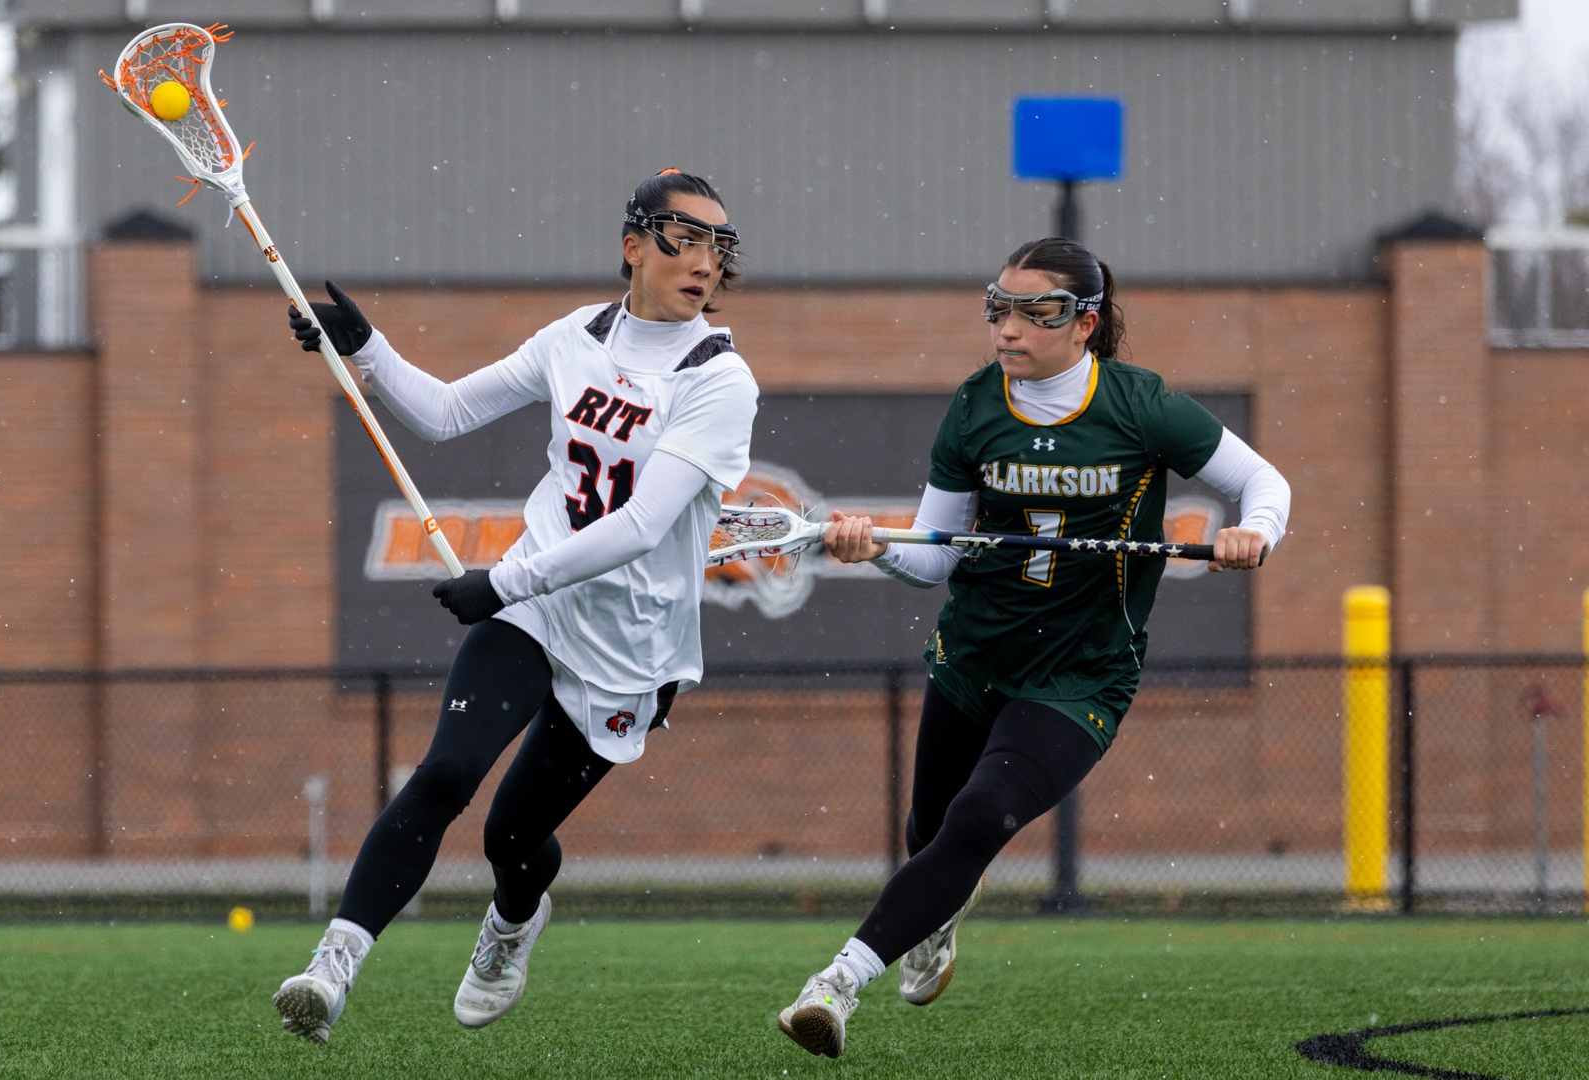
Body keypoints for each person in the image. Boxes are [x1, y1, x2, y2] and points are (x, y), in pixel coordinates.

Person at [270, 169, 758, 1046]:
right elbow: (449, 413)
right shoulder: (576, 335)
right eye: (686, 240)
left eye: (719, 248)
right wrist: (366, 348)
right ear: (634, 245)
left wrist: (501, 582)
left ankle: (512, 923)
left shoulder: (719, 381)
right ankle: (332, 965)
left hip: (631, 646)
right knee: (445, 775)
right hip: (537, 607)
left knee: (512, 837)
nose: (705, 263)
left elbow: (644, 526)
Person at [773, 236, 1291, 1059]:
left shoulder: (1142, 406)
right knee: (931, 830)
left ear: (1084, 324)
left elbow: (1265, 483)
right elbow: (936, 555)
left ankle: (834, 987)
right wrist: (873, 548)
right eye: (998, 308)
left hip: (1079, 673)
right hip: (975, 655)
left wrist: (1253, 530)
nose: (1008, 329)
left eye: (1033, 312)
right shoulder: (976, 406)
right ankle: (934, 921)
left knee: (979, 818)